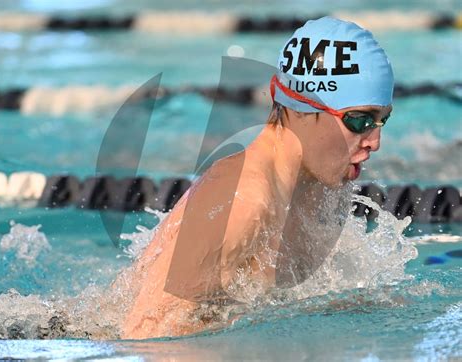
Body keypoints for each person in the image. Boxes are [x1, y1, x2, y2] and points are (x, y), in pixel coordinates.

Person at [119, 16, 394, 339]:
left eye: (381, 121)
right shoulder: (243, 199)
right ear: (305, 108)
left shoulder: (320, 183)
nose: (374, 142)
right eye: (360, 121)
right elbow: (144, 337)